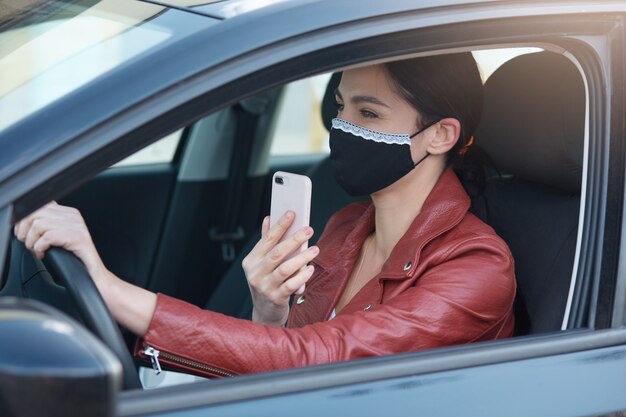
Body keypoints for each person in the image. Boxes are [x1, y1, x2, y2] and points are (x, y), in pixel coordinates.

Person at [14, 53, 516, 378]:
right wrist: (268, 313)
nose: (340, 126)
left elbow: (317, 362)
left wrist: (109, 287)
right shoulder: (345, 227)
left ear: (441, 135)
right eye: (340, 106)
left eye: (368, 114)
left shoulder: (477, 268)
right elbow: (284, 369)